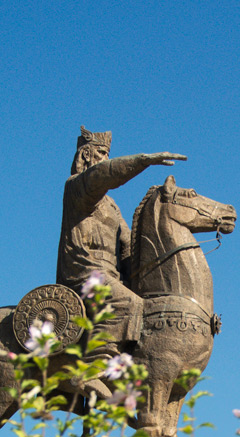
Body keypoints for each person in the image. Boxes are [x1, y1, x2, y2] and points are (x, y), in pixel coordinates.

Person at [57, 126, 186, 356]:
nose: (106, 159)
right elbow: (103, 175)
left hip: (112, 276)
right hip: (84, 272)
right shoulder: (76, 187)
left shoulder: (112, 205)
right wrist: (143, 161)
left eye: (107, 154)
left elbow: (127, 247)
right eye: (101, 153)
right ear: (86, 155)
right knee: (129, 304)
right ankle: (95, 362)